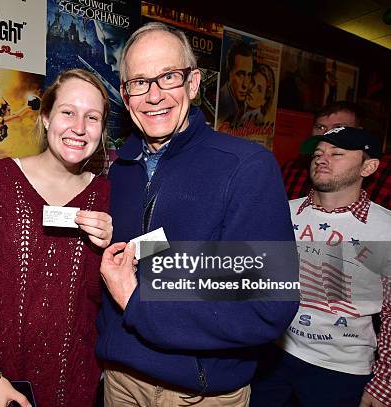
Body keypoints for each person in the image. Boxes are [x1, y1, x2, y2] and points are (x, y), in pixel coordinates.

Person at [96, 22, 298, 406]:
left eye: (168, 77)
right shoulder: (120, 170)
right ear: (124, 95)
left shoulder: (246, 166)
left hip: (198, 393)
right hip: (121, 381)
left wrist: (138, 300)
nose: (153, 95)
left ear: (193, 83)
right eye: (139, 82)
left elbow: (269, 305)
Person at [0, 69, 114, 407]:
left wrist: (107, 250)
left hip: (73, 382)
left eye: (92, 117)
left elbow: (95, 300)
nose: (79, 127)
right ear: (48, 117)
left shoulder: (106, 195)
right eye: (68, 112)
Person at [251, 127, 390, 406]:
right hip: (272, 355)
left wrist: (384, 382)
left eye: (337, 153)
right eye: (318, 153)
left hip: (341, 369)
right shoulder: (281, 211)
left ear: (369, 166)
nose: (322, 158)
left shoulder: (383, 228)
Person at [281, 101, 389, 208]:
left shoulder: (384, 171)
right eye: (320, 127)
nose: (328, 133)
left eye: (338, 127)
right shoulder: (291, 168)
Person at [217, 40, 253, 125]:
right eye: (240, 74)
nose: (245, 84)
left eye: (249, 75)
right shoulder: (221, 104)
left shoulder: (246, 106)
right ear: (229, 73)